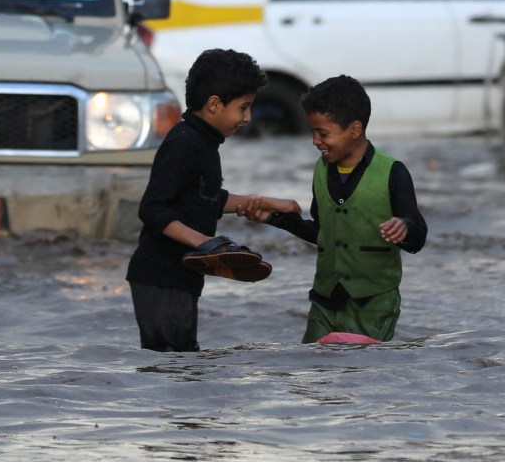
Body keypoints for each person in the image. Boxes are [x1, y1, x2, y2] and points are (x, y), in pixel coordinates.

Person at [125, 48, 295, 353]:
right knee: (174, 365)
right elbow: (152, 208)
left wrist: (266, 202)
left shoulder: (204, 142)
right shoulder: (184, 143)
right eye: (243, 108)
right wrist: (205, 242)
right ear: (214, 104)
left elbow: (203, 200)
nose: (248, 117)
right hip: (161, 277)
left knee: (180, 362)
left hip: (180, 277)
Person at [255, 74, 427, 344]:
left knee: (361, 375)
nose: (315, 141)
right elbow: (322, 232)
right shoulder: (320, 170)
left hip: (373, 305)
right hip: (324, 302)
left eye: (323, 133)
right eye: (312, 131)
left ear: (355, 130)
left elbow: (418, 237)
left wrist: (404, 228)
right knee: (314, 370)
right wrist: (277, 219)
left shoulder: (392, 172)